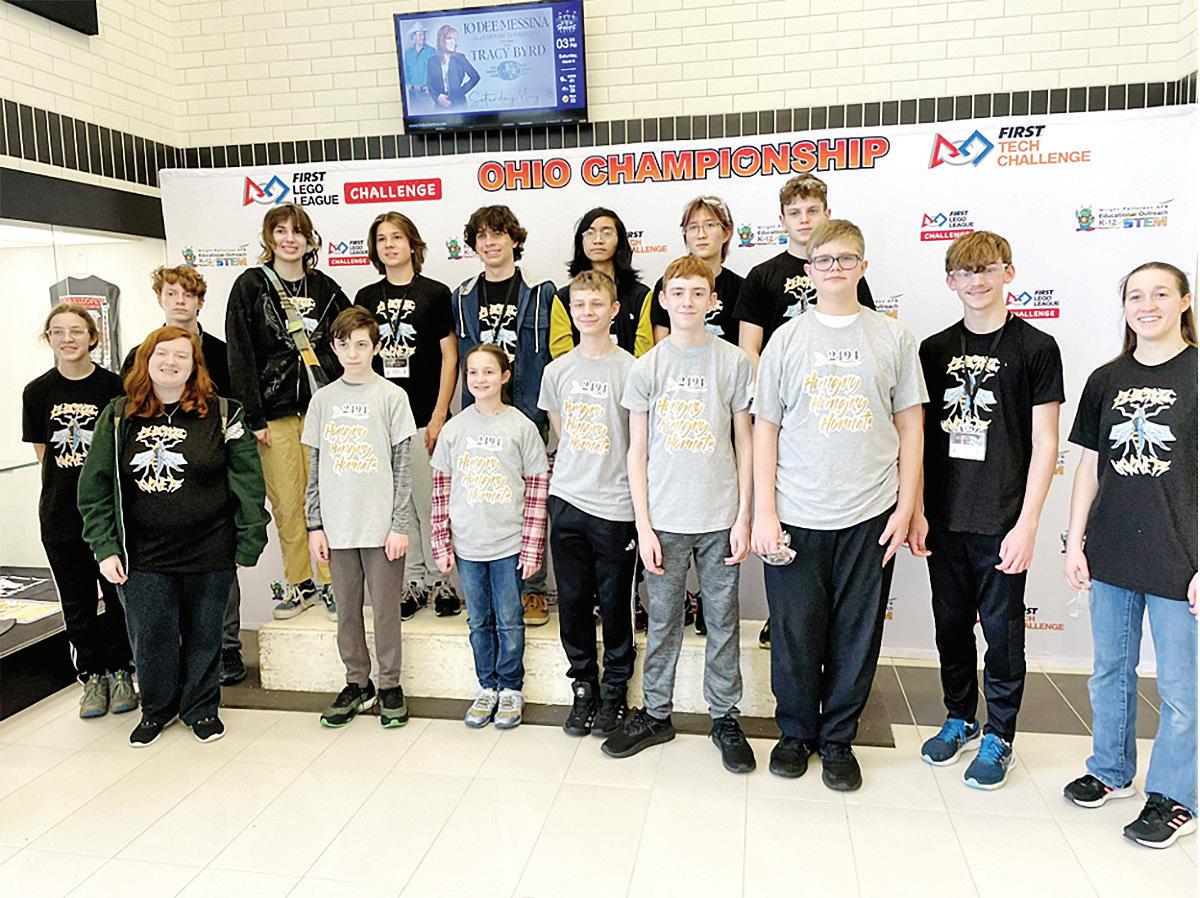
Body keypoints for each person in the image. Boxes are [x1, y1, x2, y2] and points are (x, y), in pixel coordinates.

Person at [750, 220, 925, 792]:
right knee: (796, 634)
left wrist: (907, 506)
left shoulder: (893, 337)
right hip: (796, 512)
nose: (834, 269)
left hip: (871, 513)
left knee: (856, 634)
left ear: (862, 267)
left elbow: (911, 426)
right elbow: (766, 427)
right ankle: (796, 734)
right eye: (824, 260)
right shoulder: (785, 340)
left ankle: (838, 740)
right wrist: (764, 512)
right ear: (809, 270)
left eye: (846, 259)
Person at [908, 231, 1064, 789]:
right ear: (951, 281)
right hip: (944, 517)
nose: (977, 281)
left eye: (988, 269)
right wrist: (917, 509)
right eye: (965, 272)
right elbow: (916, 439)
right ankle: (959, 717)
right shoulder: (933, 350)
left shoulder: (1036, 347)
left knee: (1002, 634)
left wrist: (1028, 524)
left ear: (1008, 273)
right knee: (950, 626)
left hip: (1002, 520)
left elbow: (1046, 441)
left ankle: (1000, 733)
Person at [78, 327, 269, 747]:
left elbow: (248, 483)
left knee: (205, 636)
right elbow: (94, 488)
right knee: (152, 638)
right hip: (143, 555)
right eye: (161, 354)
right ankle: (157, 709)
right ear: (146, 361)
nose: (171, 362)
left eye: (182, 355)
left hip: (210, 549)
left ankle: (201, 709)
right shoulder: (117, 416)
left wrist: (249, 540)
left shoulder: (224, 413)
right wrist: (105, 547)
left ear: (195, 365)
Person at [1062, 261, 1197, 849]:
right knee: (1110, 673)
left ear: (1184, 301)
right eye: (1136, 296)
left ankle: (1175, 797)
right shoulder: (1106, 378)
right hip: (1112, 552)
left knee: (1182, 690)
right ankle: (1111, 771)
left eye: (1161, 293)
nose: (1147, 305)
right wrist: (1076, 541)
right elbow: (1089, 466)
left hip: (1181, 561)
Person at [603, 254, 755, 774]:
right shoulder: (646, 366)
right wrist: (643, 526)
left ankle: (725, 717)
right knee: (664, 621)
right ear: (663, 300)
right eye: (678, 292)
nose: (688, 301)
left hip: (720, 519)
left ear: (713, 300)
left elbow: (745, 441)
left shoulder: (733, 362)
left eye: (698, 292)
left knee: (722, 621)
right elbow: (636, 452)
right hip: (664, 522)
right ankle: (656, 713)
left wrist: (744, 516)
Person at [735, 175, 876, 651]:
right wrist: (773, 399)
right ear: (781, 221)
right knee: (782, 532)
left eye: (812, 210)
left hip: (836, 411)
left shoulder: (849, 271)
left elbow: (864, 338)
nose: (804, 219)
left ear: (827, 213)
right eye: (794, 213)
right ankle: (780, 619)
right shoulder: (762, 276)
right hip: (785, 411)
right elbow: (750, 348)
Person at [121, 265, 247, 688]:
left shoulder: (222, 353)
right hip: (158, 481)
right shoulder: (140, 354)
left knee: (219, 569)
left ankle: (227, 646)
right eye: (171, 293)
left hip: (211, 476)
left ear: (199, 302)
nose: (179, 301)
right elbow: (125, 420)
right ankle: (169, 662)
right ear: (160, 299)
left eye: (187, 294)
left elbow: (236, 413)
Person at [226, 203, 350, 621]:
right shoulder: (250, 286)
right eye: (280, 231)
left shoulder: (326, 288)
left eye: (297, 231)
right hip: (274, 414)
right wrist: (253, 416)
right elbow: (240, 353)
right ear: (269, 238)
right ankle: (300, 584)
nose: (289, 239)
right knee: (287, 502)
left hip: (323, 413)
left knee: (327, 499)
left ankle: (332, 583)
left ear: (309, 239)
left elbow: (350, 340)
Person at [304, 307, 417, 729]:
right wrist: (314, 525)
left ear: (377, 347)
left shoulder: (392, 397)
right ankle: (357, 682)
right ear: (333, 348)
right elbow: (314, 468)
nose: (353, 352)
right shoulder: (322, 400)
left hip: (381, 528)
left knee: (386, 612)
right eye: (344, 344)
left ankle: (390, 685)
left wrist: (399, 525)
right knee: (347, 613)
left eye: (362, 344)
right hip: (337, 529)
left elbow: (403, 467)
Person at [22, 303, 135, 720]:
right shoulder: (37, 392)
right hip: (60, 515)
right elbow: (44, 454)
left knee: (118, 600)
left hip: (107, 516)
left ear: (93, 337)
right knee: (77, 602)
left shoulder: (115, 387)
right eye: (58, 331)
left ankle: (122, 672)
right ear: (48, 338)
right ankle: (92, 676)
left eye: (76, 330)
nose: (67, 338)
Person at [539, 271, 637, 738]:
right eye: (579, 304)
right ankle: (584, 687)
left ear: (614, 310)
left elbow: (638, 440)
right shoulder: (556, 372)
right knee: (574, 602)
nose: (588, 312)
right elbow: (561, 431)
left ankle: (615, 690)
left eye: (597, 303)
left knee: (616, 605)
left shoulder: (633, 369)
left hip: (616, 505)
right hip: (568, 500)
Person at [430, 344, 549, 730]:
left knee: (510, 620)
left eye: (488, 372)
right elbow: (441, 492)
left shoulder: (521, 427)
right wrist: (441, 543)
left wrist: (532, 548)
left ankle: (511, 687)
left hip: (509, 546)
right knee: (479, 620)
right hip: (468, 547)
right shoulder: (454, 430)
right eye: (473, 372)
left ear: (505, 376)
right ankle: (488, 687)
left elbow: (537, 491)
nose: (480, 379)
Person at [449, 205, 555, 625]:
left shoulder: (542, 293)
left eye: (498, 234)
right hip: (478, 416)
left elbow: (553, 357)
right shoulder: (462, 297)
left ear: (514, 238)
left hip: (528, 412)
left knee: (531, 504)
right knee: (485, 497)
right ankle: (486, 593)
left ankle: (534, 590)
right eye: (481, 236)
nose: (490, 242)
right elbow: (458, 358)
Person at [354, 211, 462, 619]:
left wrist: (439, 415)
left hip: (423, 417)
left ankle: (441, 581)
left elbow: (449, 357)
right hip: (382, 422)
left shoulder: (435, 293)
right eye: (382, 239)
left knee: (430, 502)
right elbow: (359, 358)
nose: (389, 245)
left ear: (413, 244)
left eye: (397, 237)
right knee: (398, 508)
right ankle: (413, 581)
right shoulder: (366, 296)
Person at [549, 208, 653, 359]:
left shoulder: (641, 296)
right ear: (581, 241)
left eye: (607, 233)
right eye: (590, 233)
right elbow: (562, 357)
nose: (598, 240)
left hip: (628, 373)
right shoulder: (564, 298)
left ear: (620, 240)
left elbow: (643, 357)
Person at [650, 196, 742, 346]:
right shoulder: (668, 284)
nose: (701, 235)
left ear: (726, 233)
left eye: (710, 225)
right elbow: (661, 346)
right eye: (693, 227)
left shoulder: (741, 288)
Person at [426, 24, 480, 110]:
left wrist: (460, 92)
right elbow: (430, 84)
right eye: (449, 38)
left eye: (454, 39)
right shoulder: (432, 61)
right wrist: (437, 98)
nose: (453, 42)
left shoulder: (460, 58)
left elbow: (475, 77)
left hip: (459, 103)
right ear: (441, 40)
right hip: (440, 105)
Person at [402, 23, 436, 114]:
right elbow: (405, 71)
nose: (423, 37)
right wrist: (408, 84)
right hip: (412, 94)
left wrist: (430, 86)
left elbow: (436, 72)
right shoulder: (408, 53)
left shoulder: (431, 51)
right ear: (414, 37)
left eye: (424, 34)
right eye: (420, 34)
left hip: (427, 94)